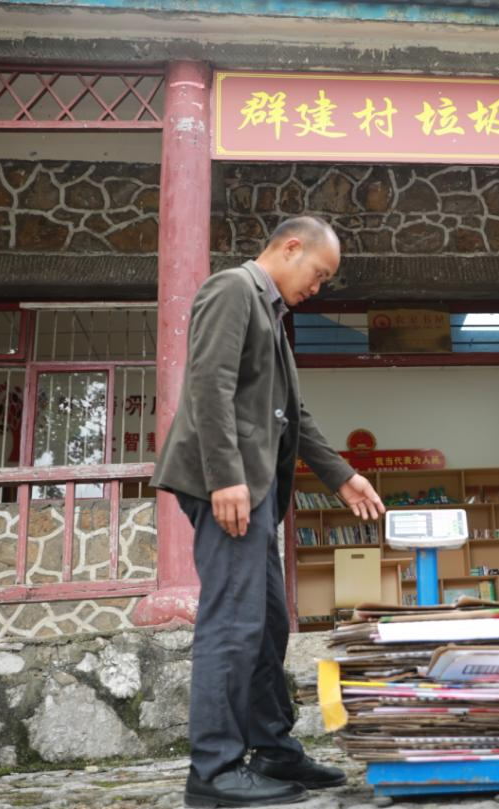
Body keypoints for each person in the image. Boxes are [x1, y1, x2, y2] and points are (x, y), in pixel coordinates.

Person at [152, 216, 385, 807]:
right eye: (319, 274)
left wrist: (342, 476)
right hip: (227, 484)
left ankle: (273, 749)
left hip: (253, 490)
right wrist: (225, 476)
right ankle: (214, 771)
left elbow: (293, 415)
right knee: (233, 623)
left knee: (268, 622)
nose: (319, 288)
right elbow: (207, 385)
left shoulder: (272, 313)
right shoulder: (233, 289)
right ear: (290, 247)